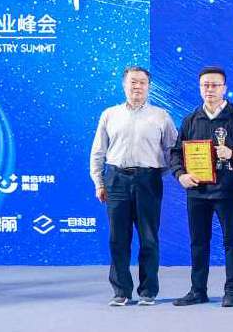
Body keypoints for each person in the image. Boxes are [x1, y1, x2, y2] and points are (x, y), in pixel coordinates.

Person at [170, 66, 233, 307]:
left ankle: (231, 290)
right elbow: (176, 153)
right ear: (200, 88)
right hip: (197, 191)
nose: (210, 89)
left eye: (215, 85)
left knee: (231, 241)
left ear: (224, 88)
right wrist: (180, 175)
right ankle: (198, 290)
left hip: (227, 191)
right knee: (198, 242)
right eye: (205, 85)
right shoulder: (190, 120)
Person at [89, 66, 178, 306]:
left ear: (149, 87)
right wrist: (99, 182)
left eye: (142, 82)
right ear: (124, 85)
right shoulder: (110, 114)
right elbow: (98, 151)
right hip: (115, 179)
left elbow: (173, 150)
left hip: (148, 180)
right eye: (132, 82)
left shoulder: (161, 116)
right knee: (118, 238)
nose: (137, 86)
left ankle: (148, 291)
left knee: (149, 237)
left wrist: (155, 173)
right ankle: (121, 292)